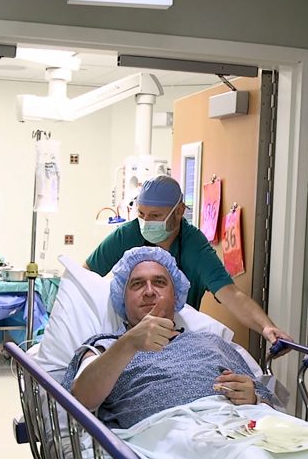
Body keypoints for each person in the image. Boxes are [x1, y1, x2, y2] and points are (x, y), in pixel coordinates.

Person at [66, 247, 275, 429]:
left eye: (159, 282)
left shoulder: (211, 341)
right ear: (122, 296)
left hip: (234, 428)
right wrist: (128, 343)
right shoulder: (106, 346)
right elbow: (81, 399)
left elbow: (269, 408)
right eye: (137, 284)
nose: (149, 291)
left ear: (175, 295)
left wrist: (253, 398)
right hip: (161, 436)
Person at [83, 175, 292, 347]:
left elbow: (231, 294)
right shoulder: (127, 235)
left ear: (180, 211)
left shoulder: (194, 246)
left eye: (156, 215)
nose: (146, 223)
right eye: (142, 214)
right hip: (129, 336)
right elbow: (82, 278)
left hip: (176, 339)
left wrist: (266, 327)